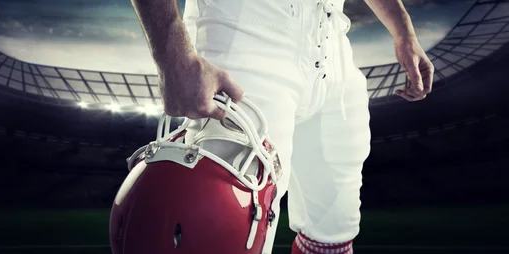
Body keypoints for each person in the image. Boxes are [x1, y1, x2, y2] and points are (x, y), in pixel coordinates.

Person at [129, 0, 434, 253]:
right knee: (217, 226)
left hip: (333, 46)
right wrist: (173, 57)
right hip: (244, 31)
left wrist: (403, 30)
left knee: (332, 231)